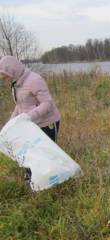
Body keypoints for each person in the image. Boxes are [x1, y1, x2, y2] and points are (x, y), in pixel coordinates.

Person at [0, 55, 61, 184]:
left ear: (13, 70)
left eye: (5, 75)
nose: (5, 79)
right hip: (30, 124)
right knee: (29, 152)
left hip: (47, 123)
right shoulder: (16, 84)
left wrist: (29, 116)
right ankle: (32, 179)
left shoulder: (35, 80)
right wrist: (11, 122)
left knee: (47, 153)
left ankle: (53, 181)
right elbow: (20, 105)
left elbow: (47, 104)